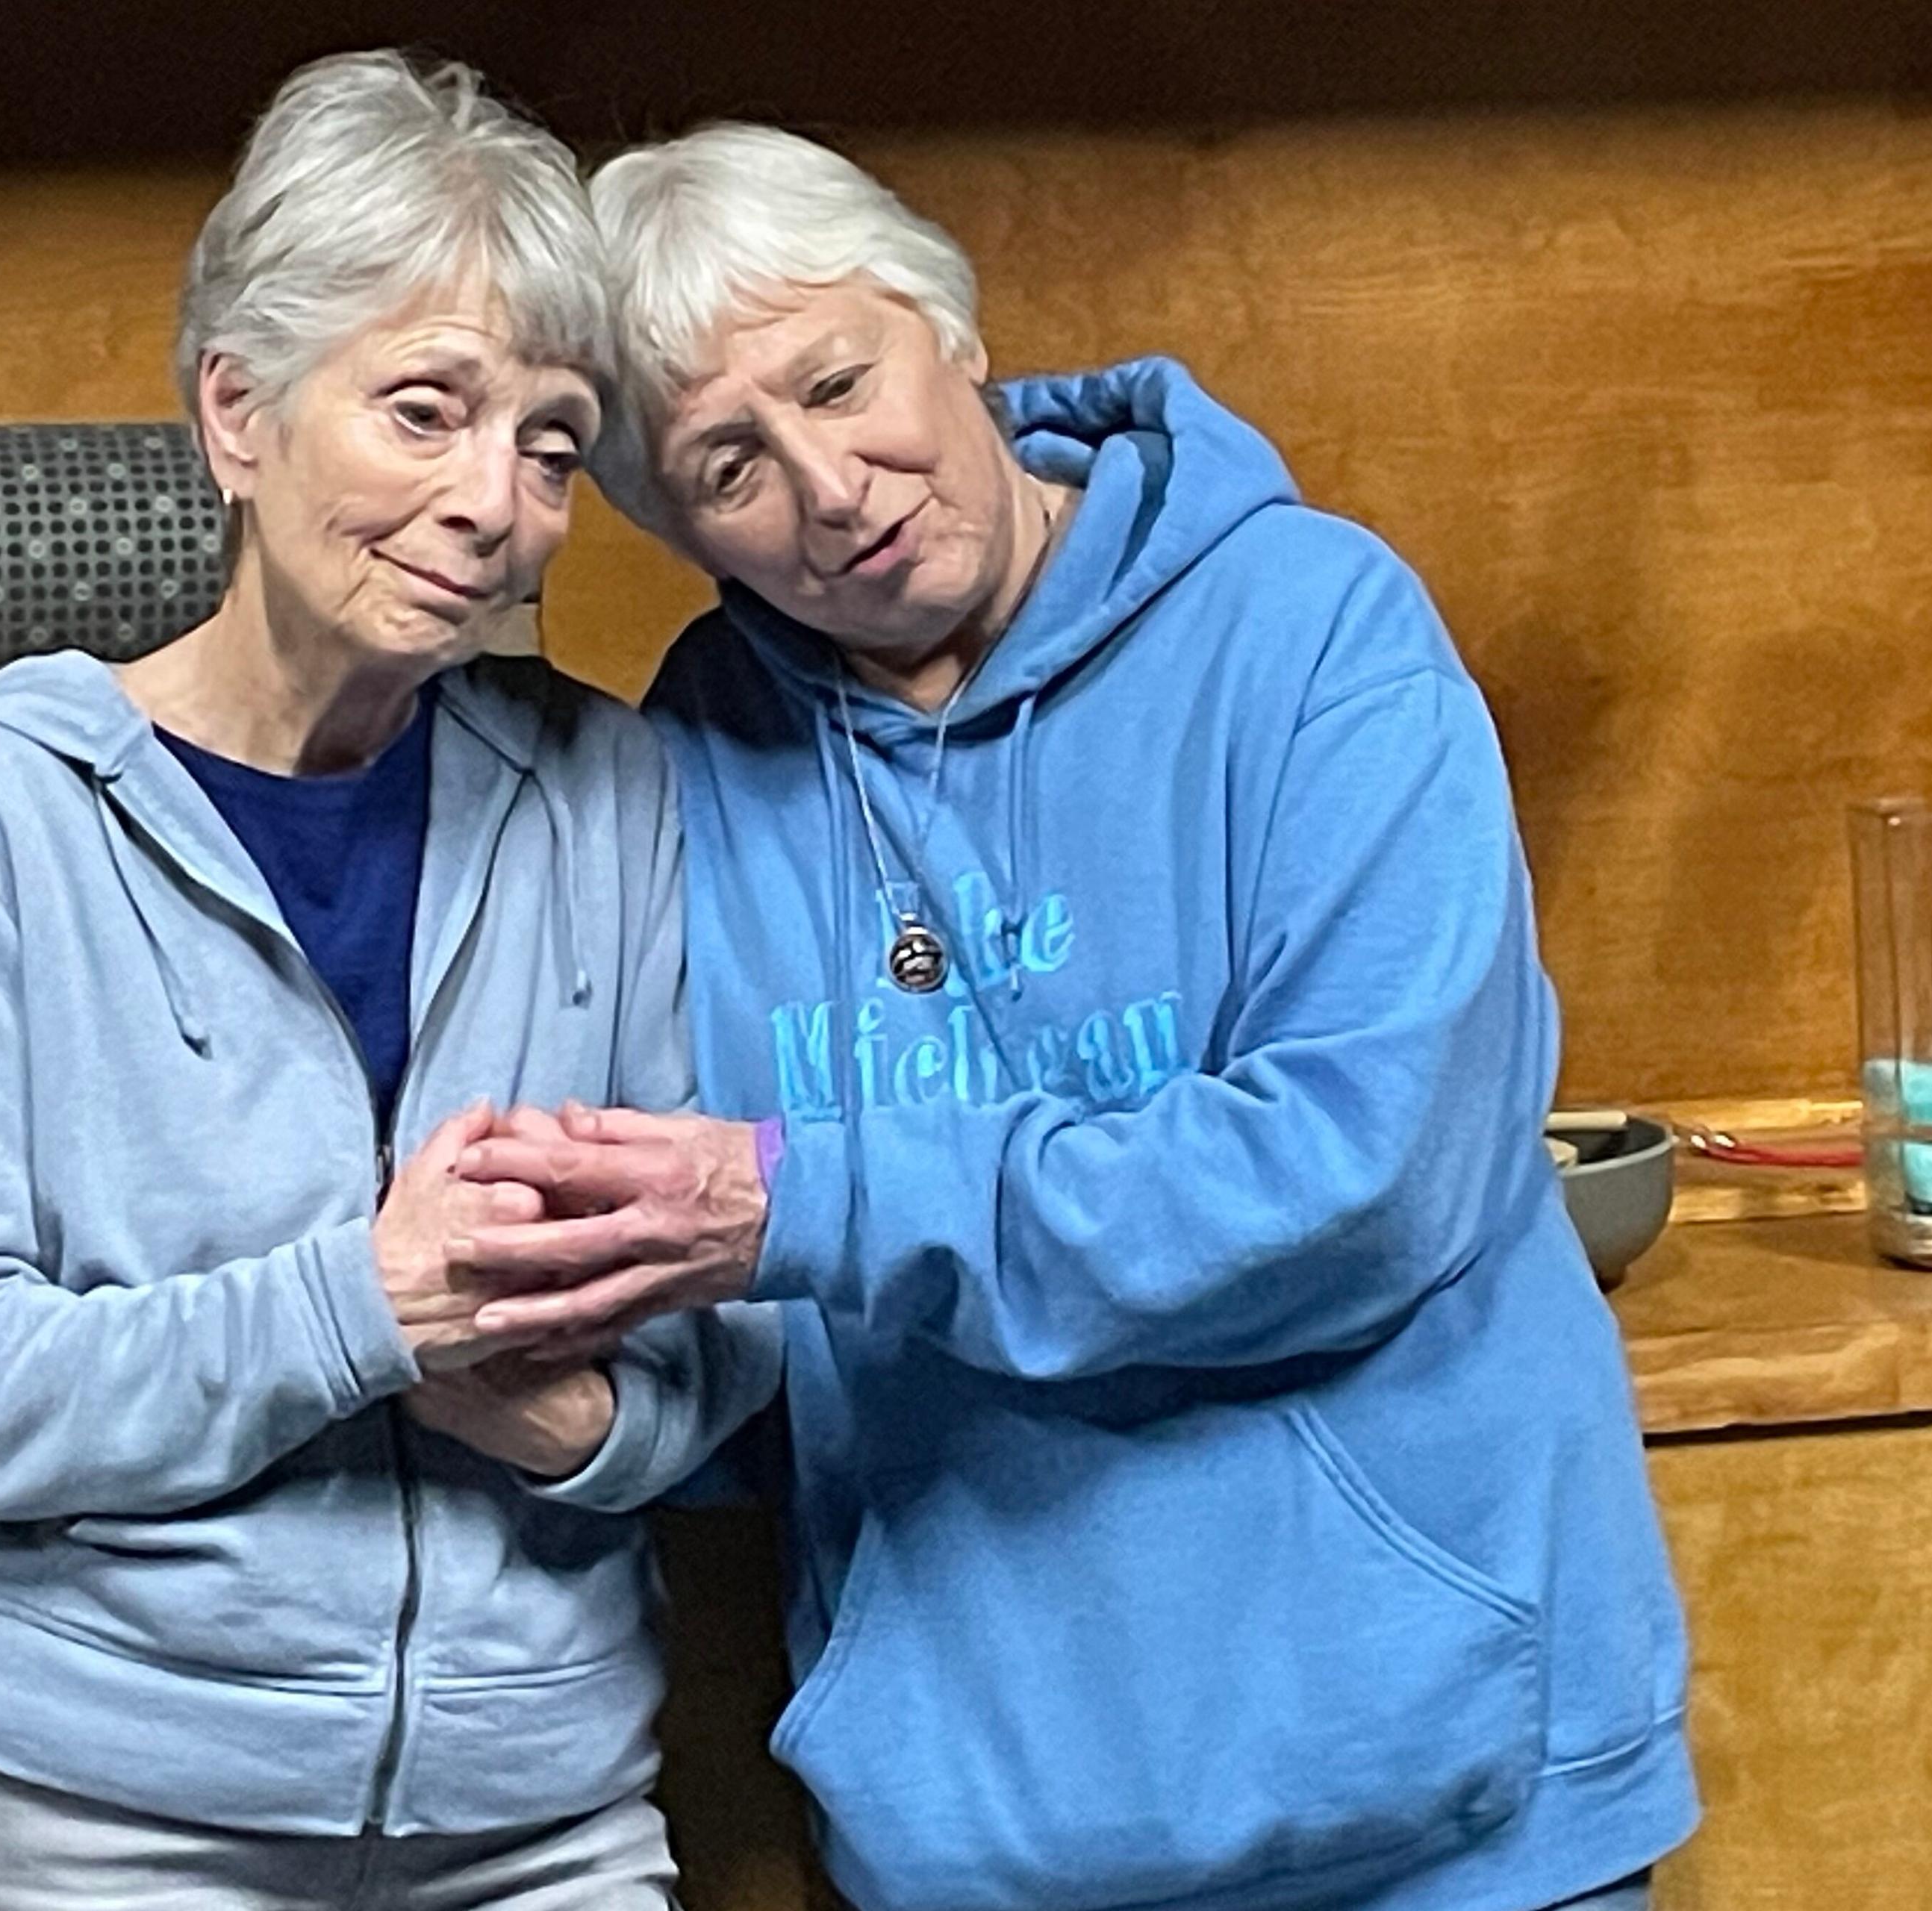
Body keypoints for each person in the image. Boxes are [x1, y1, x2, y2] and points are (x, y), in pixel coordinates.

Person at [448, 123, 1697, 1911]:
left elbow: (1366, 1177)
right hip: (985, 1829)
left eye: (838, 378)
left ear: (949, 329)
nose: (830, 481)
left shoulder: (1316, 631)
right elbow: (738, 1300)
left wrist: (813, 1201)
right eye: (729, 461)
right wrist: (616, 1422)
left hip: (1454, 1800)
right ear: (669, 528)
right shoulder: (688, 772)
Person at [0, 54, 774, 1909]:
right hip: (101, 1816)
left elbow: (719, 1304)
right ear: (235, 412)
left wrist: (593, 1429)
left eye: (552, 446)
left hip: (542, 1809)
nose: (494, 502)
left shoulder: (607, 788)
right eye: (426, 409)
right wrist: (366, 1307)